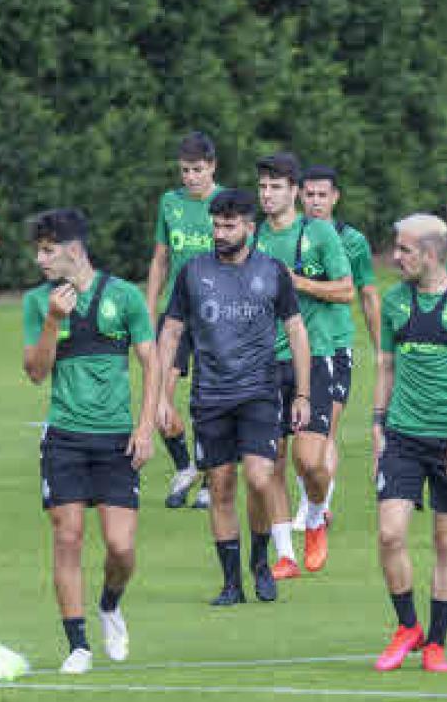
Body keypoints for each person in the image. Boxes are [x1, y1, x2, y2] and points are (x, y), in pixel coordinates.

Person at [155, 189, 312, 605]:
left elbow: (296, 330)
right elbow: (171, 332)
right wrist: (160, 395)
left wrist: (302, 393)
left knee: (261, 479)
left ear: (249, 227)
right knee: (221, 486)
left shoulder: (273, 271)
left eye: (229, 226)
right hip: (210, 397)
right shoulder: (192, 273)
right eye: (216, 225)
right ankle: (231, 583)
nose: (220, 233)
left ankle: (260, 562)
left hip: (260, 392)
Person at [21, 209, 158, 674]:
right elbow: (36, 372)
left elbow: (151, 362)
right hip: (64, 438)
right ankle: (78, 644)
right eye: (38, 250)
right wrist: (52, 322)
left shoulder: (123, 296)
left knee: (121, 548)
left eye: (47, 250)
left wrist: (144, 428)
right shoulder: (39, 302)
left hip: (117, 441)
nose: (40, 259)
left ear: (74, 250)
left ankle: (110, 605)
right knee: (68, 537)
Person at [372, 214, 447, 674]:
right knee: (390, 534)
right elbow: (385, 367)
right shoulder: (394, 302)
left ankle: (437, 643)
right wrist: (377, 428)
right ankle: (407, 627)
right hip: (402, 436)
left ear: (430, 254)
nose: (395, 257)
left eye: (404, 250)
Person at [253, 153, 352, 577]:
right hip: (263, 363)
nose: (267, 194)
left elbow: (347, 290)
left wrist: (299, 283)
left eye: (276, 186)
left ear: (293, 191)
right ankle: (285, 554)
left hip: (316, 357)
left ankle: (314, 519)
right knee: (270, 460)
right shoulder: (252, 237)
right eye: (262, 187)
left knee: (310, 461)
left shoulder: (321, 234)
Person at [144, 132, 226, 510]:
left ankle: (211, 479)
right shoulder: (169, 203)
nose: (190, 177)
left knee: (211, 401)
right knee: (158, 395)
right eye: (184, 171)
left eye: (197, 170)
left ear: (212, 166)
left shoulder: (225, 205)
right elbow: (161, 258)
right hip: (176, 315)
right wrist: (148, 308)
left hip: (217, 317)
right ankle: (185, 466)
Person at [296, 164, 381, 529]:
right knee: (297, 434)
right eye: (309, 195)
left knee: (325, 427)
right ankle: (311, 502)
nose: (315, 202)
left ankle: (316, 507)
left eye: (322, 195)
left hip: (336, 344)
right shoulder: (288, 235)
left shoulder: (353, 240)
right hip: (294, 346)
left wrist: (382, 350)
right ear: (300, 196)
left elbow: (367, 294)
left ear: (335, 198)